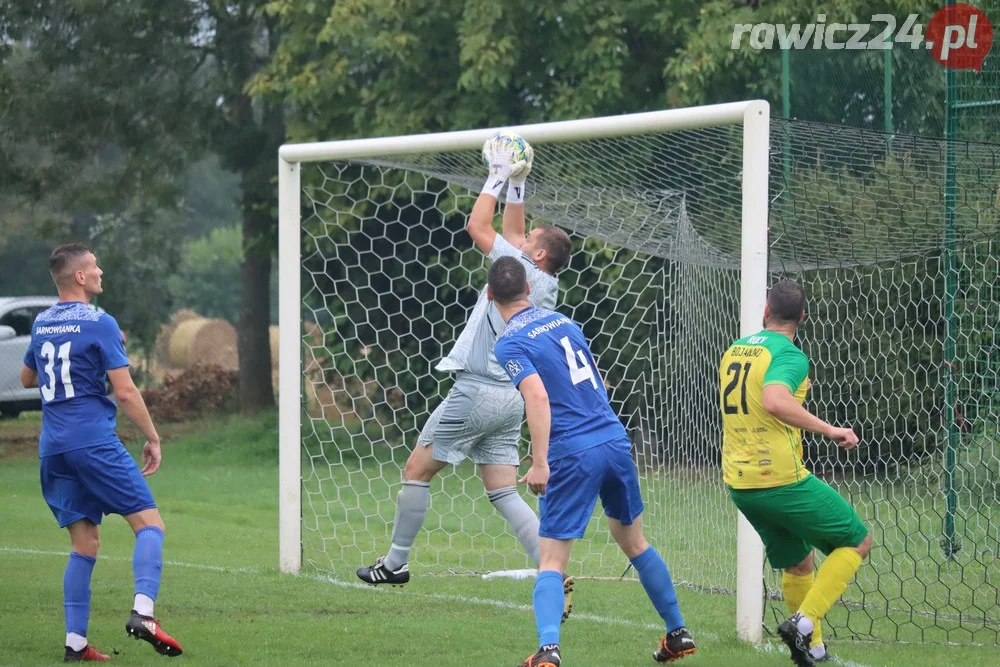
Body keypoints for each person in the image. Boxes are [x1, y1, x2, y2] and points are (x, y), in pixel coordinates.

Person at [356, 138, 573, 600]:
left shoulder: (522, 268)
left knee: (416, 469)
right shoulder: (543, 279)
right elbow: (514, 233)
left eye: (532, 239)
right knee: (502, 489)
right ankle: (551, 567)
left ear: (535, 256)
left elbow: (478, 225)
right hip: (511, 397)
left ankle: (394, 564)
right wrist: (518, 183)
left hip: (478, 390)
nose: (525, 235)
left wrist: (496, 174)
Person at [490, 256, 695, 667]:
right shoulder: (564, 321)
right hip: (613, 439)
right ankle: (678, 631)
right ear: (529, 290)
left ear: (491, 296)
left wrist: (540, 461)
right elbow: (595, 376)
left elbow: (537, 396)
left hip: (572, 451)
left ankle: (548, 650)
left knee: (551, 559)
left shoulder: (509, 342)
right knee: (635, 543)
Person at [20, 243, 183, 662]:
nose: (100, 271)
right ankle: (144, 613)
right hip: (92, 441)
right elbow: (125, 392)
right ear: (79, 277)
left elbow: (26, 378)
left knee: (85, 544)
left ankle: (75, 645)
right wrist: (153, 436)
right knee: (150, 525)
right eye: (94, 266)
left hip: (53, 449)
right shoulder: (100, 322)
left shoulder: (41, 323)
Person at [718, 279, 872, 666]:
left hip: (741, 482)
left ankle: (813, 649)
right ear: (802, 317)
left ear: (766, 311)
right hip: (780, 479)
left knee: (798, 562)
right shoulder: (789, 355)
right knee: (857, 541)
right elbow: (773, 400)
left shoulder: (736, 349)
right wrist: (831, 429)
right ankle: (804, 622)